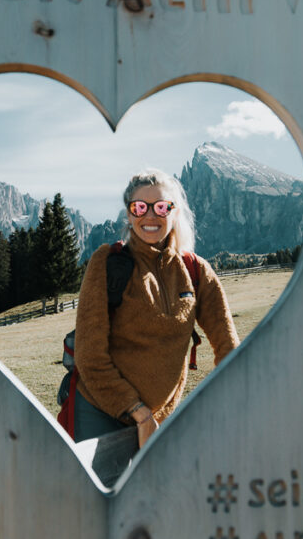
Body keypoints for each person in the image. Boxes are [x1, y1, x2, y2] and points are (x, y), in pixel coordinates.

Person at [73, 169, 239, 448]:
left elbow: (228, 347)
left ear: (174, 213)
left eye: (161, 207)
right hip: (101, 412)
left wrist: (227, 398)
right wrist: (138, 412)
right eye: (139, 207)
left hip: (161, 416)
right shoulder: (106, 263)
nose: (150, 216)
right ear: (129, 214)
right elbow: (89, 357)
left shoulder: (195, 270)